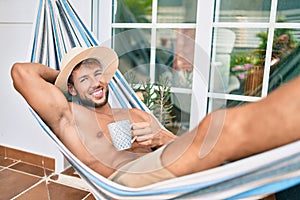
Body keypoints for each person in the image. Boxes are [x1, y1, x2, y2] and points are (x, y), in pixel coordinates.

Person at [11, 46, 300, 187]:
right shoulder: (71, 117)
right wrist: (64, 80)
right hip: (124, 183)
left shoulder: (134, 113)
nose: (96, 83)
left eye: (98, 75)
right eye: (85, 79)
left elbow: (183, 146)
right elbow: (21, 72)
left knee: (238, 160)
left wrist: (161, 136)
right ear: (72, 89)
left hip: (166, 177)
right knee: (221, 128)